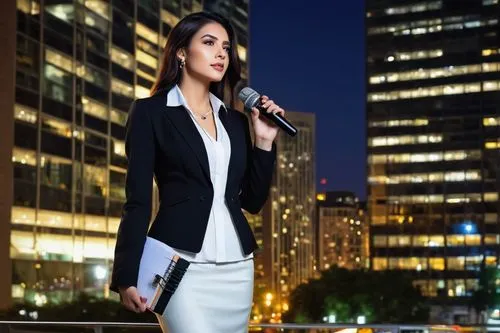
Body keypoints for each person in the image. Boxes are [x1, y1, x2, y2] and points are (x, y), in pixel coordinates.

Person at [109, 11, 285, 333]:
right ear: (180, 51)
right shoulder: (150, 113)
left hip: (237, 267)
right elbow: (136, 201)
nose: (221, 53)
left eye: (226, 47)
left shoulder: (233, 120)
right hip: (178, 266)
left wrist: (263, 140)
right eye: (209, 43)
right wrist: (126, 275)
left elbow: (252, 201)